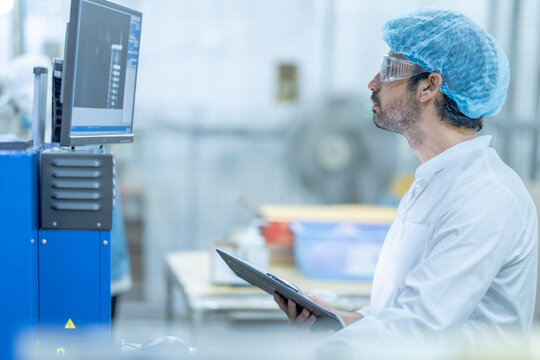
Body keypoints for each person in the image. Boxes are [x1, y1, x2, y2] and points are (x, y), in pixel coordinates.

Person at [274, 8, 538, 352]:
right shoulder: (432, 184)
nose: (373, 84)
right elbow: (400, 314)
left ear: (429, 86)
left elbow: (421, 327)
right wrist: (338, 321)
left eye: (389, 70)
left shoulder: (486, 195)